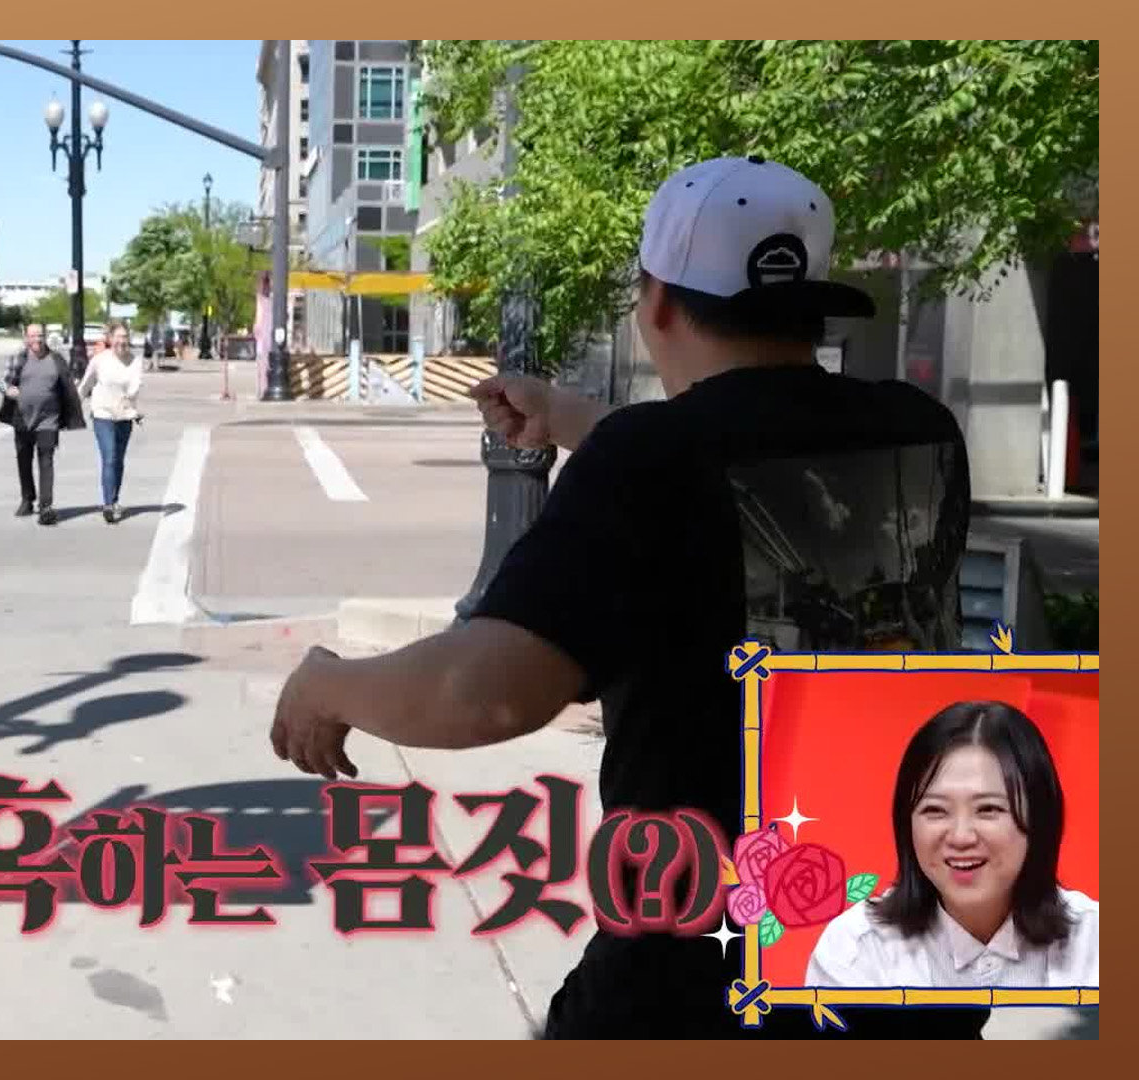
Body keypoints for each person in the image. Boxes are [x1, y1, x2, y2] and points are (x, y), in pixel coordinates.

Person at [266, 156, 976, 1038]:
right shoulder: (919, 429)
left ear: (658, 303)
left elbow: (484, 693)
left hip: (704, 982)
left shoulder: (647, 461)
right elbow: (734, 472)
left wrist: (329, 685)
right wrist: (571, 419)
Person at [807, 701, 1097, 990]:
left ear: (1040, 817)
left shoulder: (1095, 945)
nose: (960, 837)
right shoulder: (858, 952)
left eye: (988, 809)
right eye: (935, 810)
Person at [0, 323, 85, 526]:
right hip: (22, 418)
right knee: (24, 460)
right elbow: (0, 382)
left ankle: (46, 507)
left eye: (40, 335)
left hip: (48, 420)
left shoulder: (56, 359)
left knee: (46, 460)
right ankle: (27, 499)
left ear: (45, 337)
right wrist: (7, 390)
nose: (37, 339)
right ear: (26, 338)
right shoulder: (19, 358)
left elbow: (67, 385)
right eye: (33, 336)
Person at [79, 322, 145, 524]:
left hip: (124, 416)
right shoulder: (100, 360)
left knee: (118, 460)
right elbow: (86, 385)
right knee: (109, 456)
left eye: (125, 337)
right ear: (110, 339)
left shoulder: (135, 361)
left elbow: (136, 384)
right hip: (103, 414)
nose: (122, 341)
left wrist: (131, 398)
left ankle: (114, 499)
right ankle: (108, 504)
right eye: (118, 337)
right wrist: (72, 408)